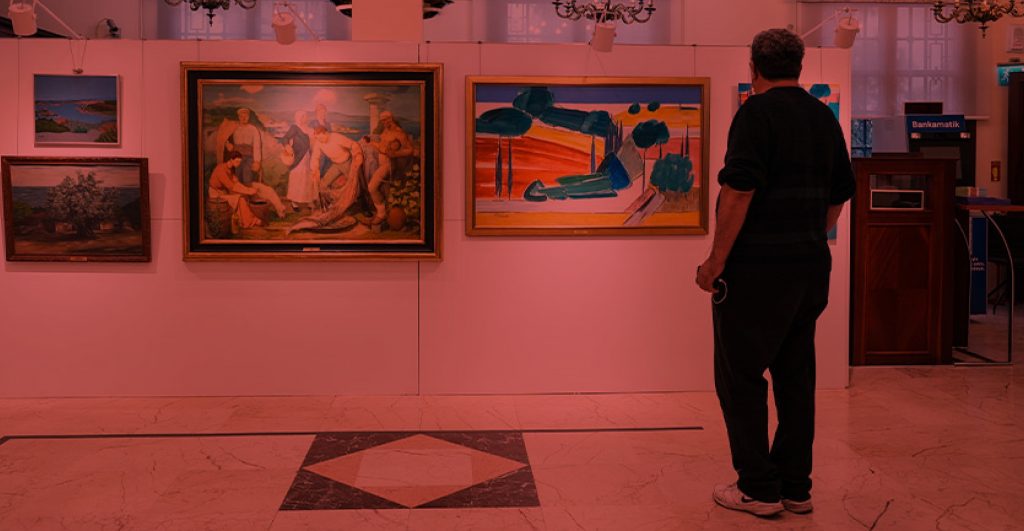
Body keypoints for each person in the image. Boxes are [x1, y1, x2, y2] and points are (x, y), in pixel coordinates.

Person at [695, 28, 855, 518]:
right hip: (808, 269)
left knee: (740, 377)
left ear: (754, 68)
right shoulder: (822, 117)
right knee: (795, 377)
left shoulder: (755, 114)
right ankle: (795, 486)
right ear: (799, 67)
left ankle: (759, 488)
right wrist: (806, 235)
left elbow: (739, 191)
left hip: (756, 271)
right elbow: (839, 194)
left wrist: (715, 261)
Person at [286, 127, 365, 235]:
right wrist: (315, 170)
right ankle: (328, 208)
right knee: (323, 184)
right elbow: (315, 157)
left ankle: (363, 207)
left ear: (326, 133)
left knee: (356, 185)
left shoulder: (336, 137)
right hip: (336, 165)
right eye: (317, 138)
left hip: (347, 162)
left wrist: (358, 154)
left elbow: (353, 144)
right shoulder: (319, 142)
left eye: (321, 138)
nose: (320, 140)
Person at [208, 151, 288, 235]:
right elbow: (232, 187)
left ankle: (251, 218)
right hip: (217, 196)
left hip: (225, 192)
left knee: (246, 194)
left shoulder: (231, 168)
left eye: (239, 162)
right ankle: (251, 221)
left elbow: (236, 183)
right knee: (240, 199)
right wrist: (248, 191)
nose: (238, 164)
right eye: (237, 161)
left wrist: (248, 190)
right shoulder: (221, 169)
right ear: (231, 159)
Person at [279, 110, 316, 210]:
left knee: (307, 179)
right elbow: (285, 138)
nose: (305, 118)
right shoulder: (295, 128)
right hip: (298, 157)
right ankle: (294, 202)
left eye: (306, 116)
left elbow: (313, 143)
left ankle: (308, 201)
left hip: (308, 156)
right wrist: (287, 146)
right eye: (303, 116)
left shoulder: (310, 129)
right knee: (297, 178)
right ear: (299, 117)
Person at [225, 108, 263, 185]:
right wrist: (228, 145)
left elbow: (257, 146)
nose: (244, 118)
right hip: (236, 157)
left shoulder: (253, 129)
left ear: (248, 117)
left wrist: (257, 161)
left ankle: (247, 191)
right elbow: (225, 140)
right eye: (241, 116)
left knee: (247, 178)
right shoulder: (234, 129)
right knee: (237, 178)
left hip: (248, 158)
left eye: (246, 116)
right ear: (238, 117)